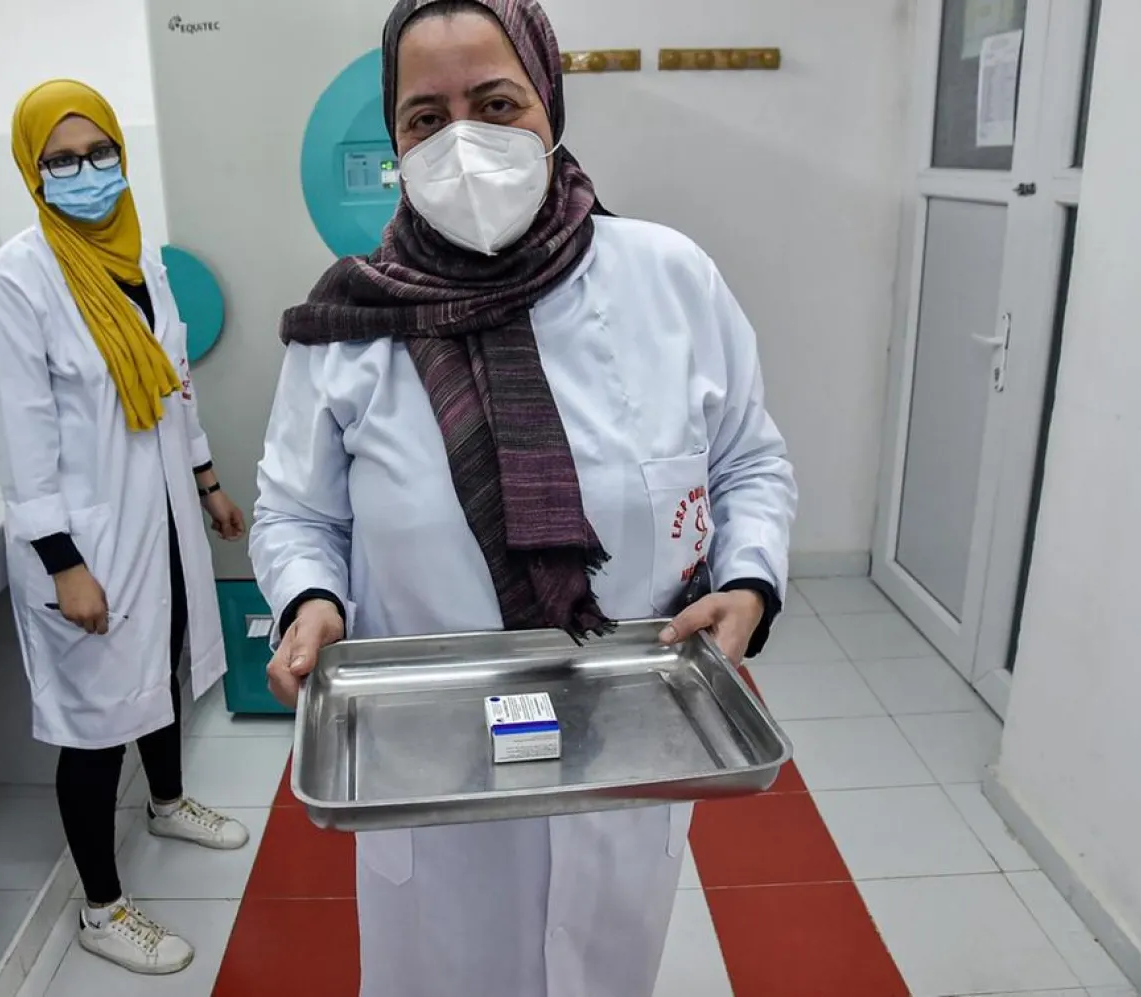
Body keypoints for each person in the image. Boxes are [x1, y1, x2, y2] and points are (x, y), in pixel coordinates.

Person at [249, 1, 798, 994]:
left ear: (548, 103)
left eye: (496, 103)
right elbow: (296, 513)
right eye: (426, 117)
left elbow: (748, 461)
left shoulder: (670, 281)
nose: (465, 141)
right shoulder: (351, 323)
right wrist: (310, 600)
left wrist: (749, 580)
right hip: (432, 781)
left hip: (624, 754)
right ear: (395, 137)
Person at [0, 80, 249, 977]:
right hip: (86, 539)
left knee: (158, 664)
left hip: (159, 513)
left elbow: (171, 384)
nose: (85, 173)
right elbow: (19, 436)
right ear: (32, 169)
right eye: (62, 160)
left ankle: (167, 800)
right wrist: (63, 563)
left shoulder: (140, 259)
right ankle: (101, 906)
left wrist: (204, 478)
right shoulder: (17, 280)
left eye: (99, 155)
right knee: (94, 721)